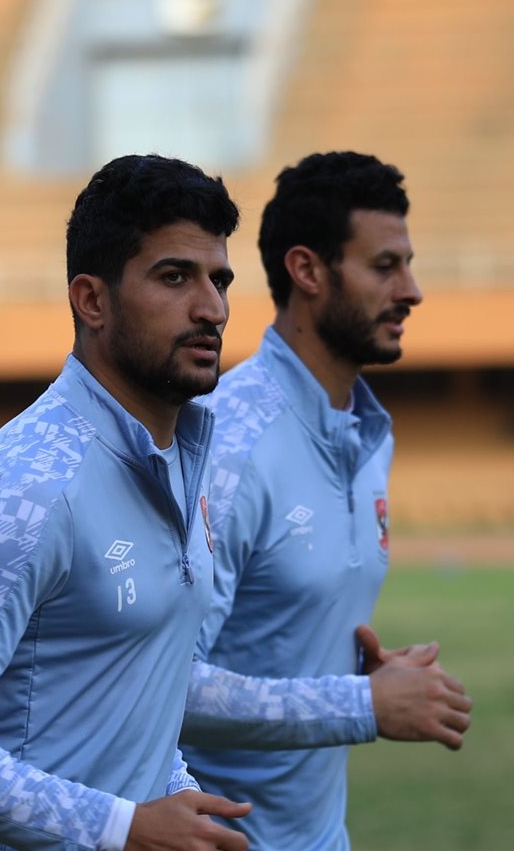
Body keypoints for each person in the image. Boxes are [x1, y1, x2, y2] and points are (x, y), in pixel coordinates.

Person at [0, 154, 254, 851]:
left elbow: (123, 697)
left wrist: (175, 797)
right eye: (175, 277)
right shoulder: (31, 484)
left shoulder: (184, 457)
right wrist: (122, 827)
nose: (212, 308)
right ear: (92, 301)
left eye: (219, 279)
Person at [180, 151, 472, 850]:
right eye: (384, 266)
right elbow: (161, 686)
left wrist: (357, 674)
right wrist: (360, 702)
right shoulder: (228, 446)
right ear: (307, 271)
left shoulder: (368, 434)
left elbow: (268, 633)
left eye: (408, 264)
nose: (411, 290)